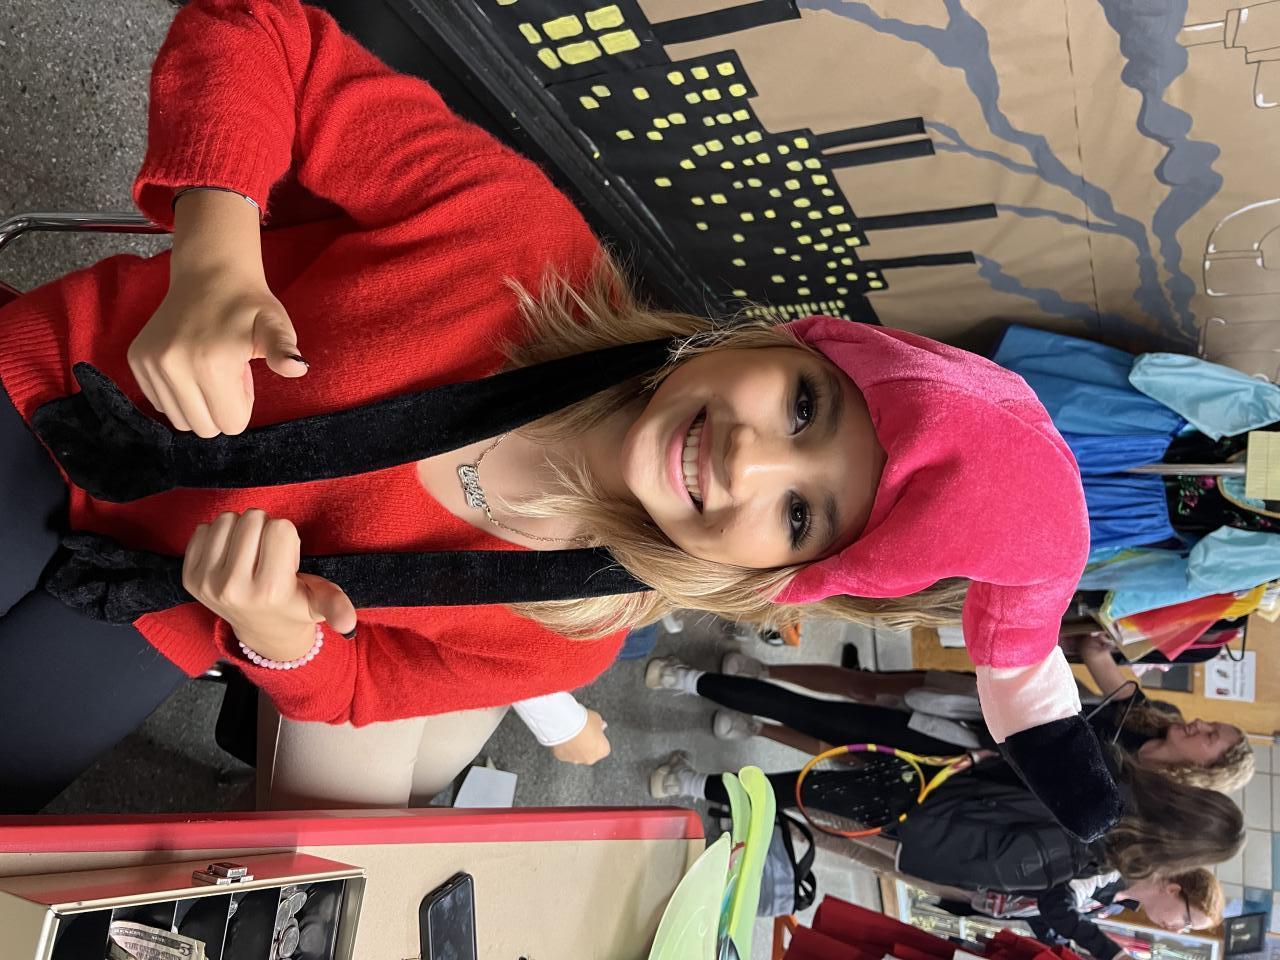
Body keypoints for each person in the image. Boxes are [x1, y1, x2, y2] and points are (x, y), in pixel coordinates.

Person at [0, 0, 1113, 830]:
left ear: (768, 578)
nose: (747, 462)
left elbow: (364, 687)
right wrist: (216, 253)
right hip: (53, 396)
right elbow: (262, 29)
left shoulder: (552, 636)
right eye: (805, 407)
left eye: (798, 515)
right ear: (774, 339)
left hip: (143, 602)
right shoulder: (514, 241)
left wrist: (283, 639)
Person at [643, 638, 1254, 792]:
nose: (1200, 725)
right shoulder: (1151, 713)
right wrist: (1100, 637)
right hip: (976, 701)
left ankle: (745, 715)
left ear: (1207, 769)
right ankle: (757, 672)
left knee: (840, 743)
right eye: (1213, 723)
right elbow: (1099, 661)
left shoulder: (1136, 790)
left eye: (1210, 738)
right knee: (863, 688)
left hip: (964, 752)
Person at [650, 748, 1244, 892]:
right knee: (810, 802)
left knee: (805, 786)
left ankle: (690, 784)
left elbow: (1018, 759)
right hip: (921, 836)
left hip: (937, 786)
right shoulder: (1108, 860)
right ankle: (697, 788)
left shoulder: (1108, 778)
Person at [937, 867, 1223, 957]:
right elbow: (1056, 903)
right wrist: (1110, 952)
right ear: (1173, 890)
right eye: (1186, 920)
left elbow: (1046, 918)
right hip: (972, 872)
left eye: (1186, 929)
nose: (1177, 929)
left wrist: (1062, 951)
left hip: (976, 899)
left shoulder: (1117, 905)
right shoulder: (1114, 870)